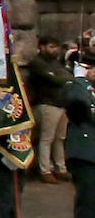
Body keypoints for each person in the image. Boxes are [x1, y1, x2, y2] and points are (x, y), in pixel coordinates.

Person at [62, 55, 95, 218]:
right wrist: (80, 80)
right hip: (84, 154)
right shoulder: (75, 87)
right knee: (88, 202)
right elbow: (76, 102)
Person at [29, 37, 73, 183]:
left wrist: (63, 77)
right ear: (42, 47)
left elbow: (69, 77)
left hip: (61, 104)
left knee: (60, 138)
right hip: (47, 103)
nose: (55, 50)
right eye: (51, 46)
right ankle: (45, 170)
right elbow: (56, 80)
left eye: (56, 47)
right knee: (47, 138)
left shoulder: (56, 62)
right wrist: (62, 78)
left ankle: (61, 168)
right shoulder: (37, 63)